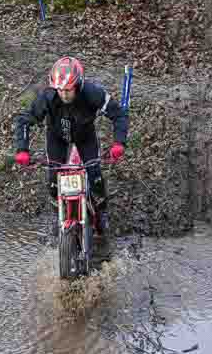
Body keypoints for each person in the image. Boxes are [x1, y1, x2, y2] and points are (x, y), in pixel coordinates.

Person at [14, 56, 128, 242]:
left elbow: (118, 115)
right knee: (53, 181)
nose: (64, 95)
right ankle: (58, 215)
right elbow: (24, 120)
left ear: (78, 85)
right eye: (60, 90)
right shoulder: (47, 97)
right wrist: (22, 149)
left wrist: (119, 143)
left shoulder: (92, 93)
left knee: (95, 176)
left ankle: (102, 212)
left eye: (68, 90)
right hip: (57, 137)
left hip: (85, 136)